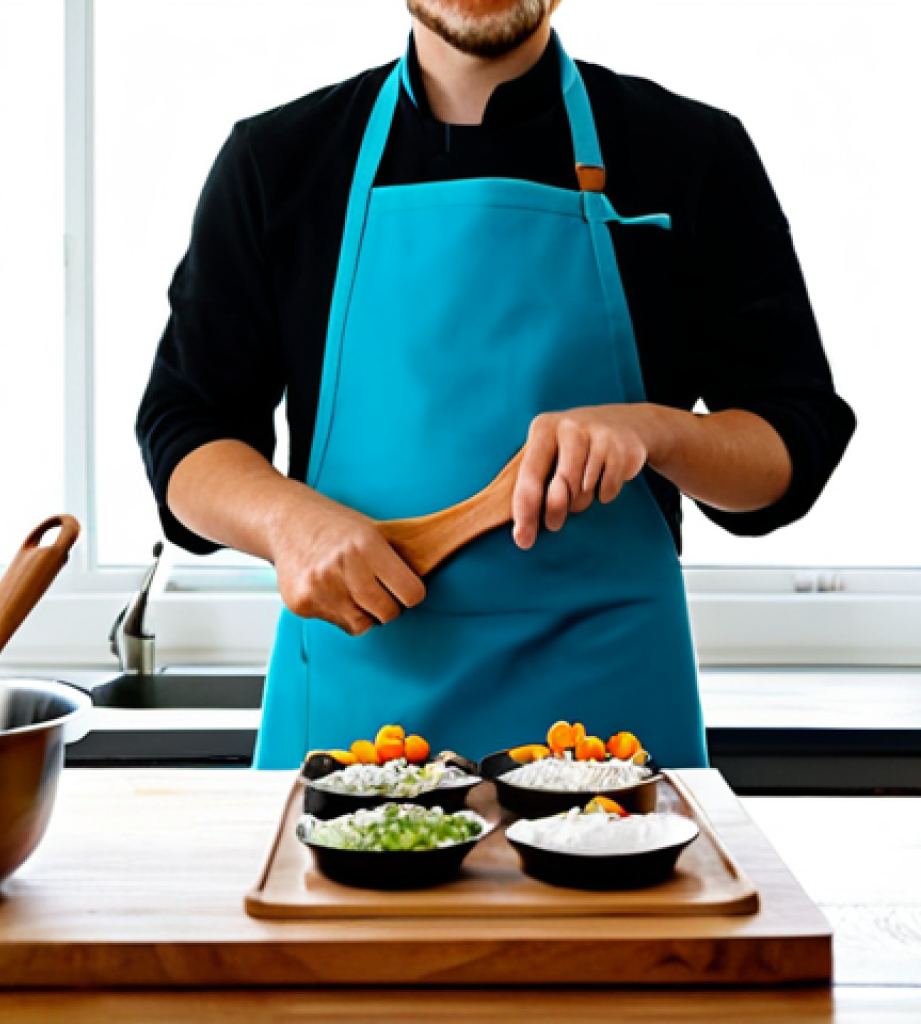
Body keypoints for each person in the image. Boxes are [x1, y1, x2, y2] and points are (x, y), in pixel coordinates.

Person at [136, 0, 855, 769]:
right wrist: (286, 523)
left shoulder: (693, 151)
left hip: (611, 729)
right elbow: (187, 430)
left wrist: (655, 431)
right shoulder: (277, 159)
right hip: (358, 728)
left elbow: (791, 442)